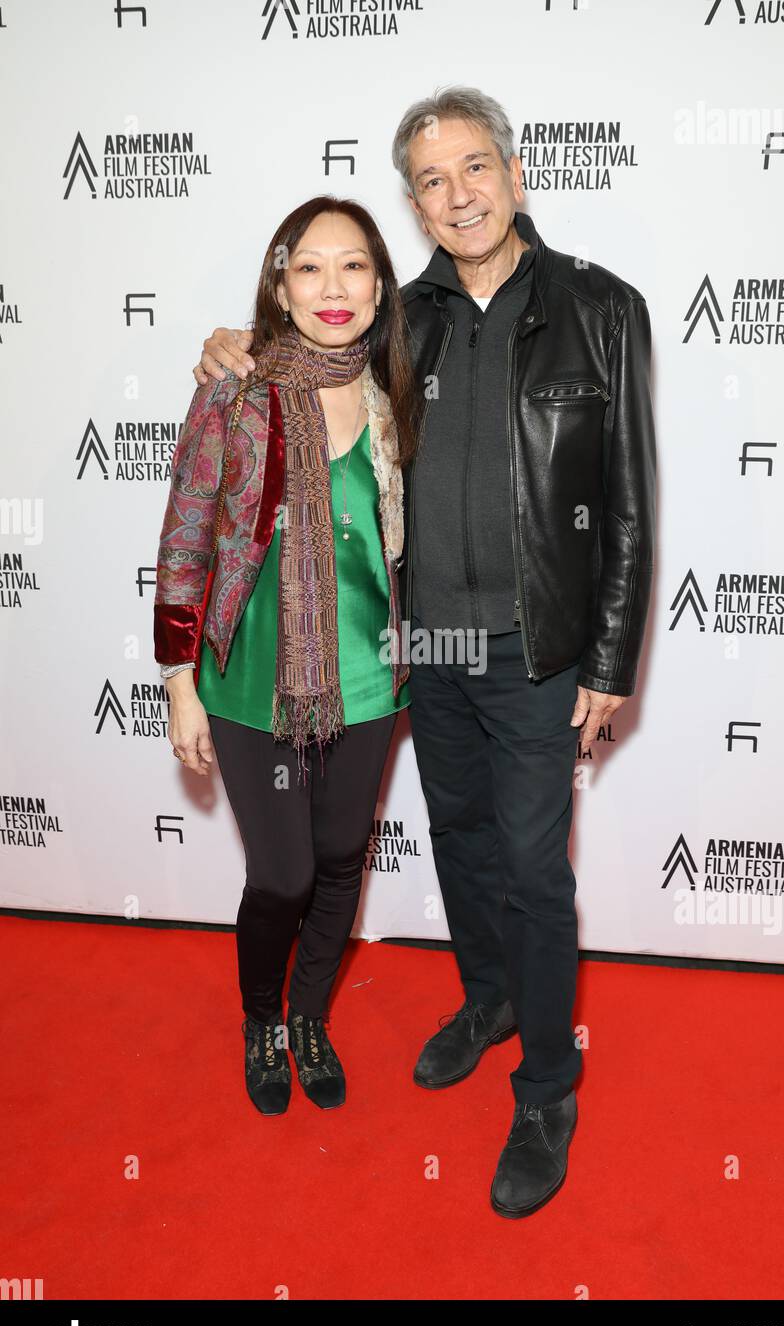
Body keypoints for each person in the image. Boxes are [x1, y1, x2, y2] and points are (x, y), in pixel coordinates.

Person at [194, 86, 657, 1217]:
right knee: (457, 838)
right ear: (414, 202)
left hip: (541, 650)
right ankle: (488, 996)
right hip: (424, 649)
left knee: (536, 870)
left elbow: (630, 504)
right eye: (431, 181)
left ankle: (547, 1085)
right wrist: (231, 346)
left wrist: (608, 662)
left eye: (473, 168)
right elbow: (311, 349)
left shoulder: (602, 308)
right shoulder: (411, 317)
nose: (457, 195)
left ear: (512, 169)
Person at [154, 196, 418, 1118]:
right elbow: (186, 536)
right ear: (281, 282)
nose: (333, 287)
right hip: (250, 680)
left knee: (344, 858)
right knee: (285, 876)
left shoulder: (399, 394)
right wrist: (180, 680)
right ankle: (261, 1019)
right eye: (310, 267)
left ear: (381, 285)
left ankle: (310, 1018)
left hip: (371, 676)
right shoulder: (235, 387)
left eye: (353, 266)